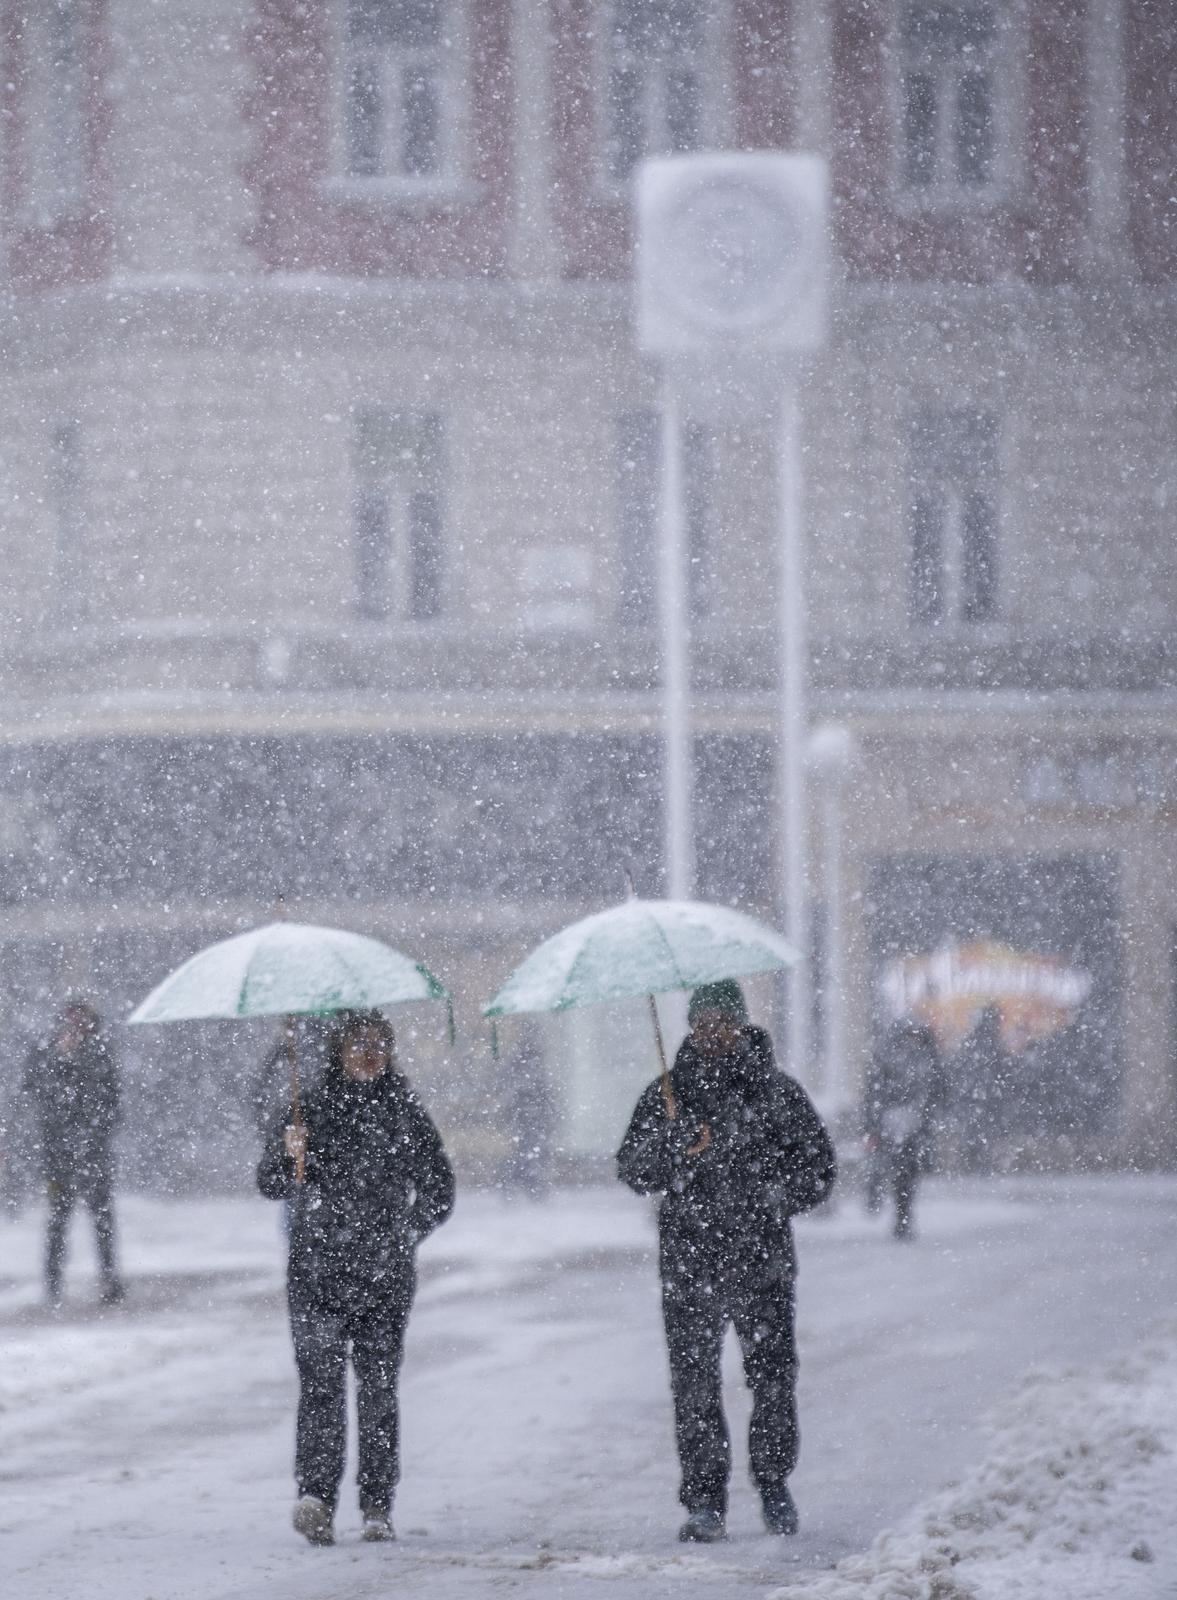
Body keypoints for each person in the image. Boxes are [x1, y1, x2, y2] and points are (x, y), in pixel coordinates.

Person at [617, 980, 836, 1544]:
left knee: (773, 1378)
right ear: (691, 1026)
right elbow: (633, 1170)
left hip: (762, 1261)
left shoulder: (776, 1093)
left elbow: (819, 1168)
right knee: (694, 1384)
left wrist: (774, 1197)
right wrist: (672, 1144)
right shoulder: (668, 1093)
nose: (713, 1033)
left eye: (724, 1023)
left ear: (741, 1026)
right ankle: (705, 1501)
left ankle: (773, 1482)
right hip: (690, 1261)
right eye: (704, 1022)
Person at [257, 1009, 454, 1547]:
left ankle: (376, 1504)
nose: (368, 1054)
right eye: (357, 1045)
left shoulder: (405, 1113)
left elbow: (439, 1189)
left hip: (384, 1279)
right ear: (338, 1053)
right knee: (320, 1388)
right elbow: (271, 1184)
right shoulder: (308, 1110)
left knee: (377, 1392)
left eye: (378, 1045)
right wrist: (287, 1152)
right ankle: (316, 1496)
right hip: (316, 1274)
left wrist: (404, 1233)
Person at [21, 1000, 123, 1307]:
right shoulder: (46, 1052)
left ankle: (109, 1278)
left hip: (94, 1154)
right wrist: (60, 1061)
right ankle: (52, 1281)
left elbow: (110, 1103)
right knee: (58, 1219)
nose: (76, 1025)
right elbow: (33, 1092)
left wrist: (92, 1133)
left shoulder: (100, 1055)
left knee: (101, 1218)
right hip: (58, 1155)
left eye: (82, 1019)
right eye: (71, 1018)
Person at [862, 1017, 944, 1239]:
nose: (913, 1042)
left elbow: (937, 1093)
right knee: (894, 1171)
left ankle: (901, 1215)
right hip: (893, 1127)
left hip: (910, 1129)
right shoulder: (895, 1061)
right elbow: (874, 1094)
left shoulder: (925, 1061)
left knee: (905, 1175)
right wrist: (873, 1124)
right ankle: (891, 1208)